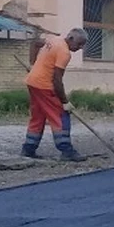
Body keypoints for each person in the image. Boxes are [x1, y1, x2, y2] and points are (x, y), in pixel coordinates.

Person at [21, 28, 89, 161]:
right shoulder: (64, 52)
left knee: (38, 116)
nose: (80, 48)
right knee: (60, 116)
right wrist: (64, 102)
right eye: (79, 44)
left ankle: (28, 148)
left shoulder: (54, 39)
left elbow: (35, 43)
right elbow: (57, 80)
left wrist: (33, 64)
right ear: (71, 39)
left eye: (82, 45)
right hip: (44, 86)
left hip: (32, 82)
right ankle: (66, 150)